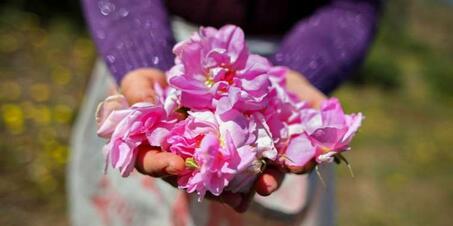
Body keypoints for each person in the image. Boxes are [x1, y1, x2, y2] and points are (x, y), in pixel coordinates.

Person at [69, 0, 381, 225]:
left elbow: (353, 6)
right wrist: (138, 53)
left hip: (287, 78)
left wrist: (295, 74)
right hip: (145, 56)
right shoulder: (162, 75)